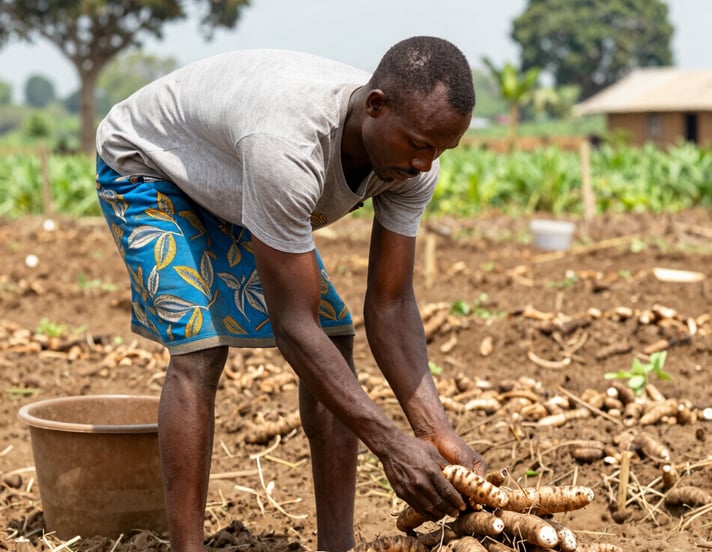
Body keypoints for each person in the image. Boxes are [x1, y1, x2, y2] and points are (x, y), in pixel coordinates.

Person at [95, 36, 485, 552]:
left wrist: (435, 431)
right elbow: (291, 326)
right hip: (152, 164)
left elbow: (390, 305)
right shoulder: (289, 146)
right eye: (418, 145)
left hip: (233, 179)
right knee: (201, 347)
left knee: (334, 335)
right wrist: (391, 446)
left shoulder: (412, 162)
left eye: (441, 150)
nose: (425, 163)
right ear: (375, 106)